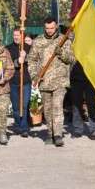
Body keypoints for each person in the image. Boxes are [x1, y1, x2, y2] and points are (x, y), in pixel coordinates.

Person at [28, 17, 74, 147]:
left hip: (60, 81)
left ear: (56, 27)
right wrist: (34, 76)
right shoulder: (38, 41)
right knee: (47, 110)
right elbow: (31, 60)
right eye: (47, 28)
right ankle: (50, 132)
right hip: (44, 81)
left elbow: (72, 59)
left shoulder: (64, 40)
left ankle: (58, 134)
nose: (49, 30)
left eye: (52, 28)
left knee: (57, 107)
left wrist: (62, 54)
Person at [6, 29, 32, 137]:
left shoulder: (28, 47)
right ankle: (17, 124)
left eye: (18, 35)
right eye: (15, 35)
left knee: (25, 105)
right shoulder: (8, 48)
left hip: (25, 80)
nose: (16, 37)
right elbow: (7, 64)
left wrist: (25, 57)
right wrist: (17, 61)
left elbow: (34, 60)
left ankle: (24, 127)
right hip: (13, 81)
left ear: (22, 36)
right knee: (16, 107)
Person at [70, 61, 95, 138]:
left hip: (90, 79)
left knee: (91, 104)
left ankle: (94, 129)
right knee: (76, 104)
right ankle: (77, 129)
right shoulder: (72, 49)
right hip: (75, 78)